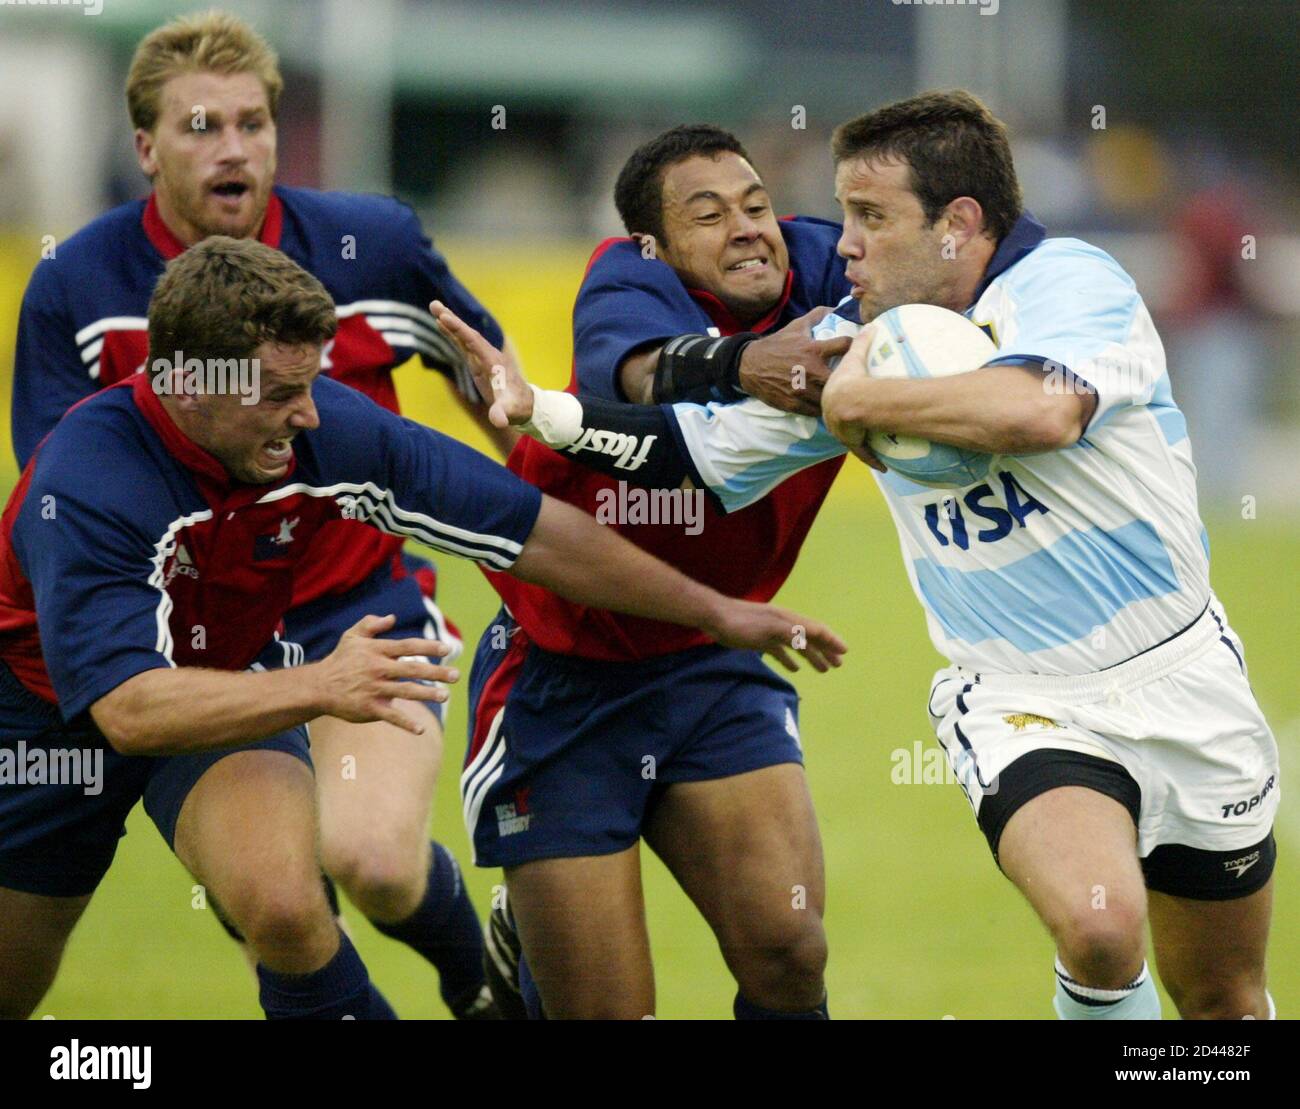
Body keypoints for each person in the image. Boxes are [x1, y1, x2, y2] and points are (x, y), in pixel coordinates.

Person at [436, 90, 1280, 1021]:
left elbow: (1041, 412)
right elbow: (699, 446)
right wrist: (543, 411)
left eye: (871, 219)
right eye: (843, 218)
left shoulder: (1075, 287)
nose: (839, 246)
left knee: (1224, 1003)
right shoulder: (857, 339)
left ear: (958, 226)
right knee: (1100, 927)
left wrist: (857, 405)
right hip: (1022, 698)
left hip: (1186, 674)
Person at [0, 236, 843, 1021]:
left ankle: (472, 980)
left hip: (221, 679)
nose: (308, 415)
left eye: (311, 382)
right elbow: (127, 710)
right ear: (186, 383)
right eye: (279, 394)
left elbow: (535, 531)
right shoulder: (87, 478)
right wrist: (322, 684)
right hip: (44, 713)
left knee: (289, 907)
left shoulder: (323, 428)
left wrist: (717, 610)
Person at [10, 10, 516, 1017]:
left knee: (371, 859)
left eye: (253, 122)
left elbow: (492, 381)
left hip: (352, 607)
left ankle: (484, 980)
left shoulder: (371, 244)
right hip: (190, 635)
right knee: (276, 898)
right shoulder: (78, 281)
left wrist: (526, 467)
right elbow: (62, 488)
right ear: (145, 146)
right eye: (201, 126)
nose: (233, 147)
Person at [457, 124, 856, 1020]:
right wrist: (746, 362)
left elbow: (964, 267)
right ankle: (526, 934)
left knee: (791, 951)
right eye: (708, 215)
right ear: (655, 245)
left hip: (707, 657)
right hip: (564, 670)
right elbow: (630, 372)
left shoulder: (830, 265)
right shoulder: (624, 278)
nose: (749, 228)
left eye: (756, 204)